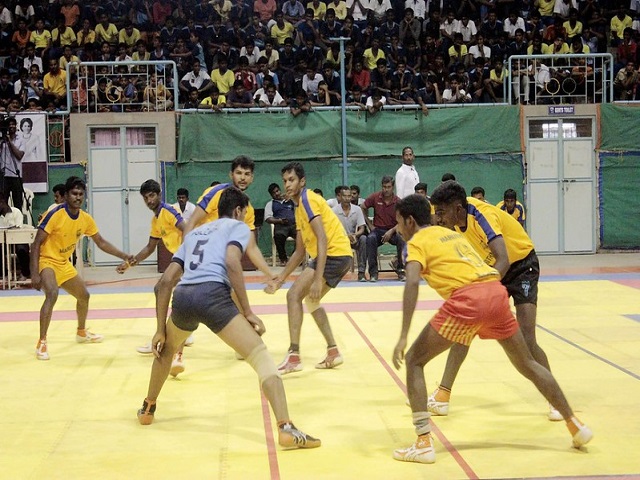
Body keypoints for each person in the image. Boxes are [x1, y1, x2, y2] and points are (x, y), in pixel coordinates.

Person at [391, 194, 593, 464]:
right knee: (527, 364)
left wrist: (404, 334)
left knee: (414, 360)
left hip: (468, 299)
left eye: (398, 224)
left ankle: (423, 442)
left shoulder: (415, 243)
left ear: (410, 221)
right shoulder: (450, 234)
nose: (397, 230)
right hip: (495, 293)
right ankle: (574, 424)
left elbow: (412, 283)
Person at [136, 187, 321, 450]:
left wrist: (158, 330)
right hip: (213, 296)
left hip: (185, 297)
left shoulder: (194, 233)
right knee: (261, 357)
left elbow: (164, 283)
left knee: (166, 351)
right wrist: (247, 312)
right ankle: (286, 429)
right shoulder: (237, 227)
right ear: (238, 211)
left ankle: (147, 408)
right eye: (245, 213)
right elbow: (233, 263)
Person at [428, 180, 561, 421]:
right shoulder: (451, 216)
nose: (438, 218)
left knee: (527, 338)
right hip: (491, 269)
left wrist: (484, 290)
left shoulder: (481, 215)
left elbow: (504, 259)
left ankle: (554, 399)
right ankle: (442, 396)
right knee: (464, 328)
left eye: (441, 213)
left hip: (520, 265)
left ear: (457, 208)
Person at [30, 176, 134, 360]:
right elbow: (36, 243)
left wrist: (124, 256)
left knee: (84, 296)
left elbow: (100, 242)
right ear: (66, 195)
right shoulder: (55, 214)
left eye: (80, 194)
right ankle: (42, 341)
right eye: (73, 193)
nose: (77, 197)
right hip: (47, 261)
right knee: (52, 293)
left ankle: (81, 332)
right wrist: (34, 274)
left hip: (63, 262)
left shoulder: (85, 219)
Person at [266, 162, 352, 374]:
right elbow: (299, 251)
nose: (287, 184)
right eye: (285, 180)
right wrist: (281, 277)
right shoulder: (297, 207)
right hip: (338, 256)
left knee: (294, 296)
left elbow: (322, 238)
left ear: (302, 181)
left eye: (292, 180)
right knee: (311, 302)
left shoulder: (307, 200)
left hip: (334, 253)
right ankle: (333, 350)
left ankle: (294, 355)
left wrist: (316, 279)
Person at [116, 180, 192, 366]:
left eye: (152, 195)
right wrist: (129, 263)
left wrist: (186, 257)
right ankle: (172, 335)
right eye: (145, 197)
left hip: (188, 259)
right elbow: (150, 247)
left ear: (159, 194)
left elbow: (187, 229)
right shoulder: (156, 219)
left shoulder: (168, 211)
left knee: (179, 299)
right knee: (161, 290)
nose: (149, 200)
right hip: (181, 259)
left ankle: (176, 351)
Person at [361, 175, 405, 282]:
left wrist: (391, 231)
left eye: (388, 187)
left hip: (393, 231)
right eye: (384, 187)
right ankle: (373, 273)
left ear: (393, 187)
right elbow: (362, 207)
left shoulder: (398, 201)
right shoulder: (375, 197)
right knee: (370, 238)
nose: (386, 189)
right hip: (378, 230)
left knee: (401, 238)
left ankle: (401, 270)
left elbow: (402, 220)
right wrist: (370, 225)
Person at [332, 185, 367, 281]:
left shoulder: (357, 209)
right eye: (345, 196)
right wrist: (344, 236)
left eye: (349, 196)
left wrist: (356, 235)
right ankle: (334, 273)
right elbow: (332, 230)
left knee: (363, 239)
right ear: (340, 196)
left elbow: (362, 228)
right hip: (340, 240)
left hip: (354, 238)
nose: (347, 198)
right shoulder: (334, 211)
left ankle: (361, 272)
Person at [264, 182, 296, 266]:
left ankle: (294, 258)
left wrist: (292, 198)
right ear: (271, 195)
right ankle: (283, 259)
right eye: (274, 193)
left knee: (302, 235)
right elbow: (268, 218)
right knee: (278, 236)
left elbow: (299, 205)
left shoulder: (289, 200)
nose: (277, 194)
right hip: (281, 226)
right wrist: (279, 221)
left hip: (294, 225)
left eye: (277, 191)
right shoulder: (270, 204)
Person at [0, 117, 26, 211]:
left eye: (13, 124)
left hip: (16, 175)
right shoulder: (1, 140)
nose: (11, 126)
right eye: (9, 125)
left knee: (18, 203)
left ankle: (18, 223)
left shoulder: (21, 140)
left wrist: (9, 142)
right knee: (3, 203)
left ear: (16, 126)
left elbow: (19, 155)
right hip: (4, 176)